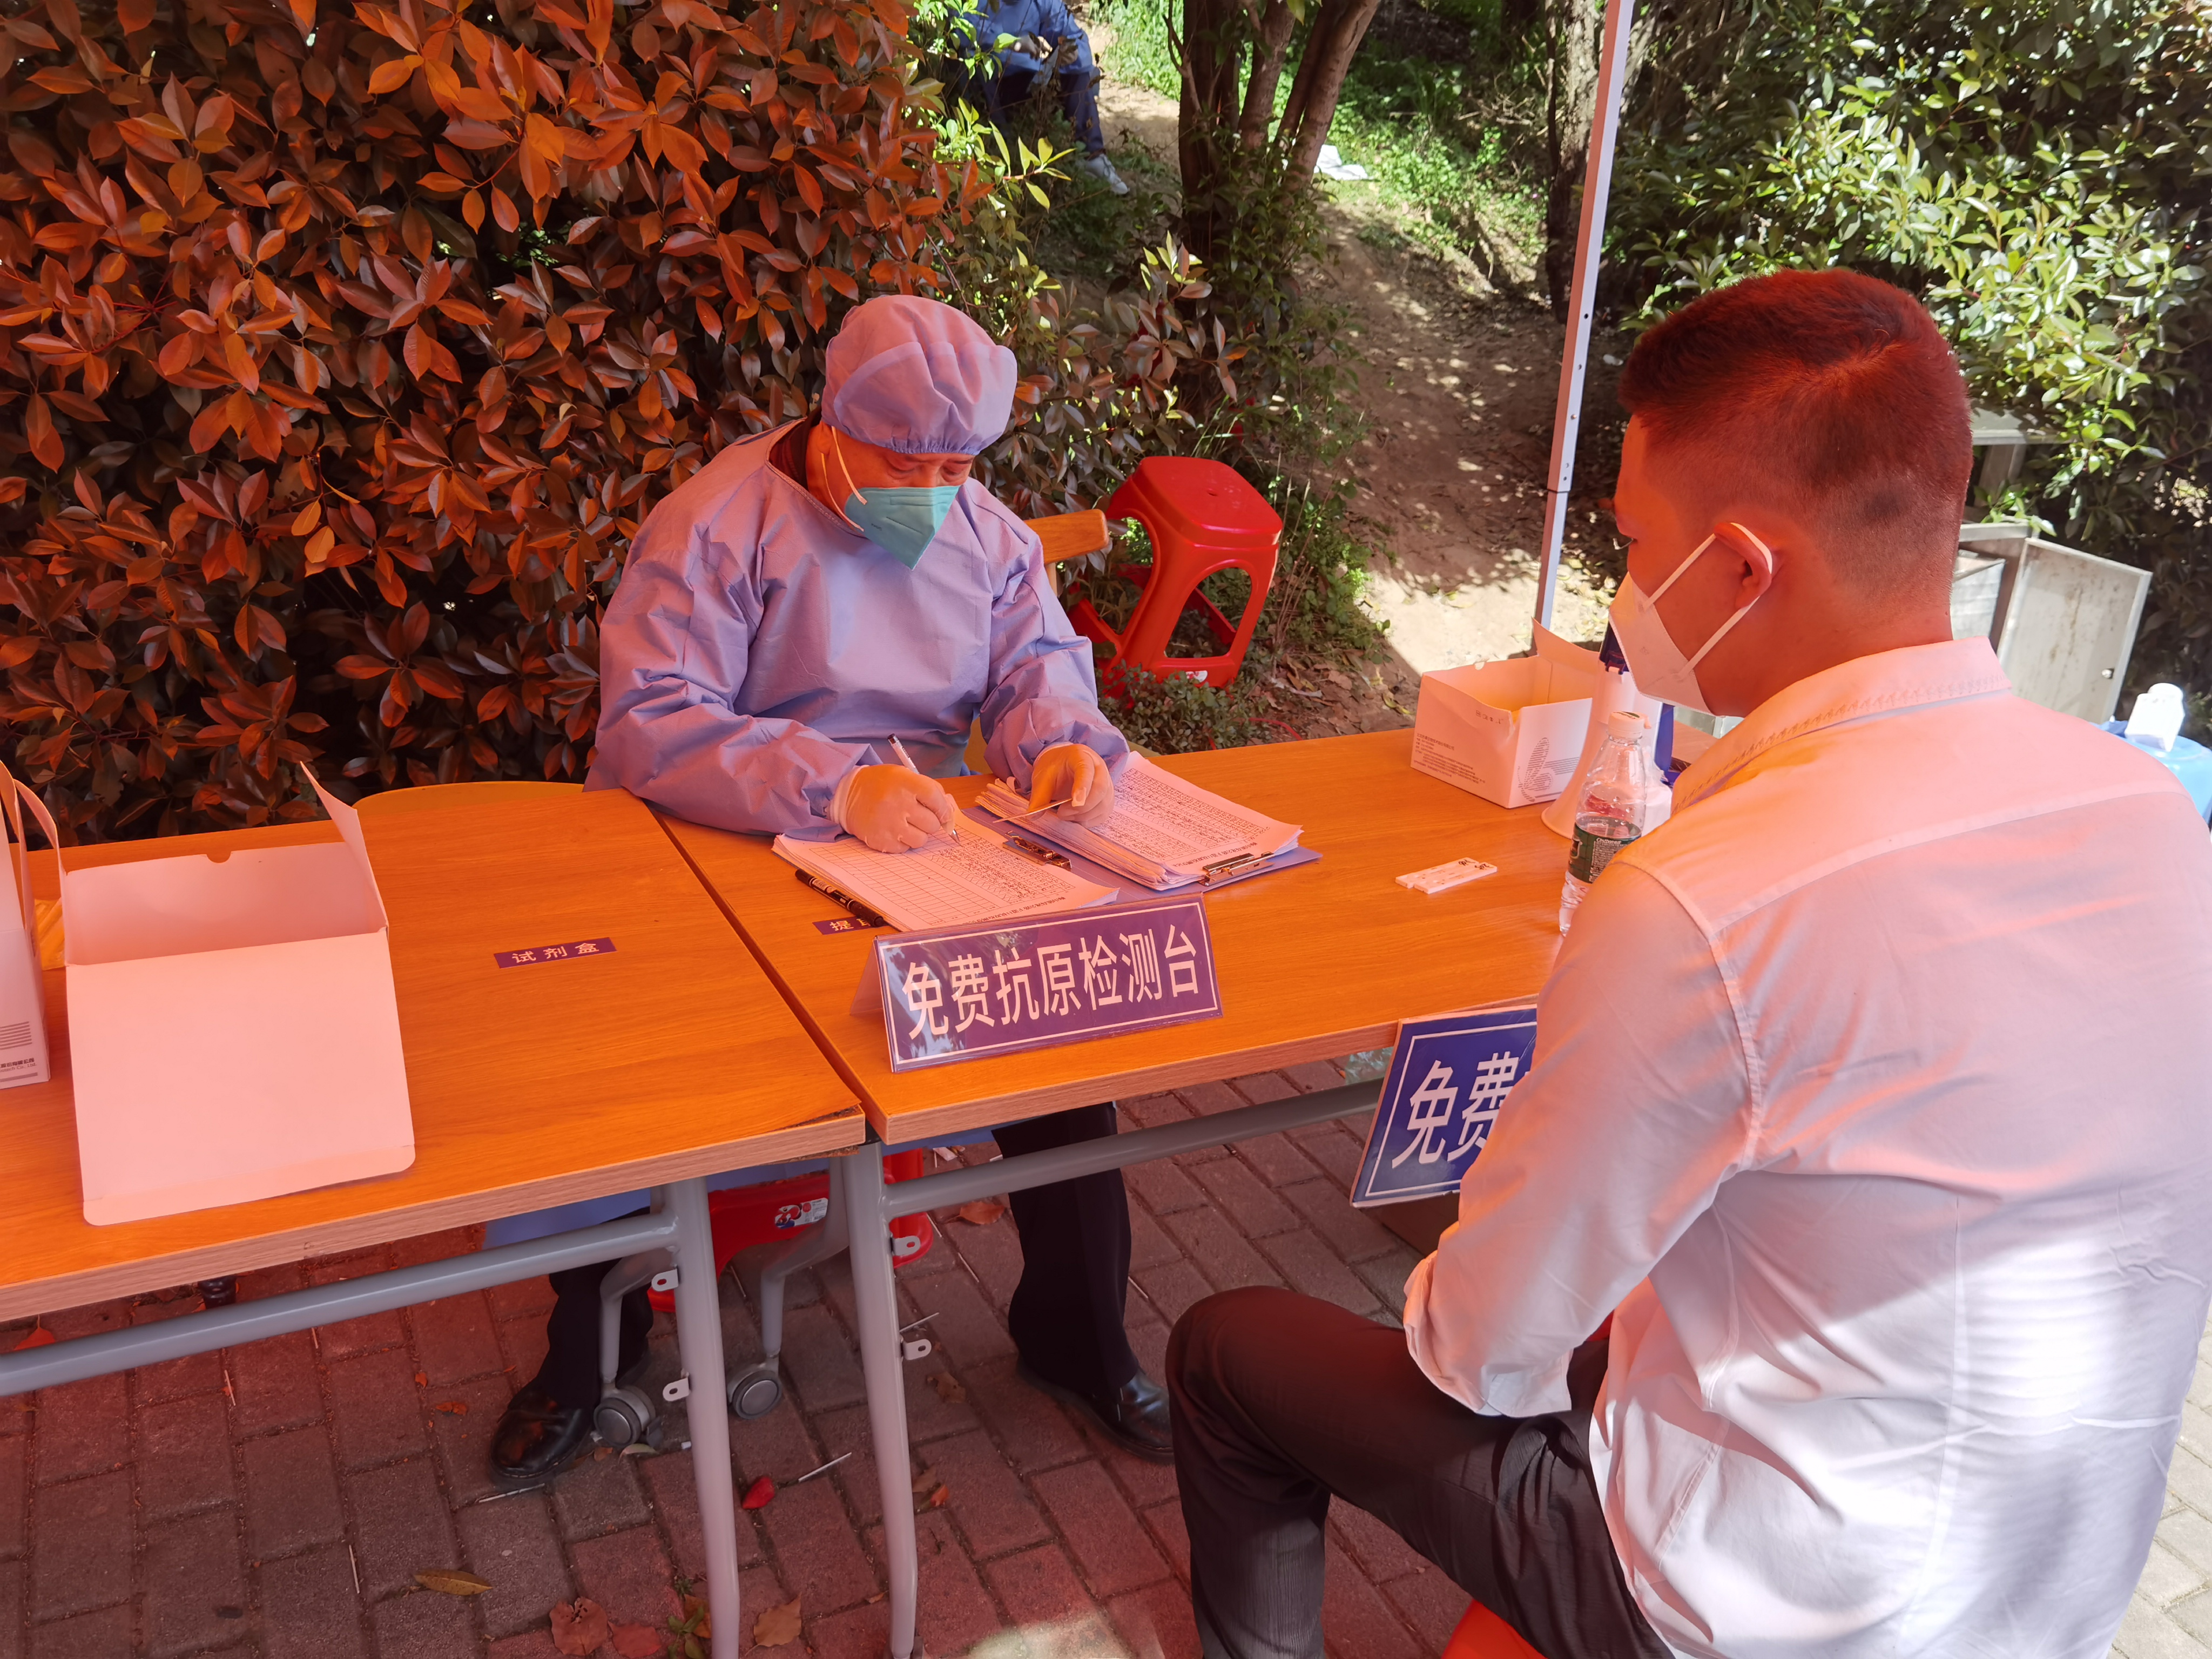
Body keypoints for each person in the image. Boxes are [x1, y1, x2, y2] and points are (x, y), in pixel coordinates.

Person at [1165, 268, 2212, 1659]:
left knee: (1229, 1350)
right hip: (2051, 1587)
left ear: (1739, 566)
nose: (1624, 588)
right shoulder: (2145, 808)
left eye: (1633, 538)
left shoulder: (1704, 898)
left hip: (1760, 1610)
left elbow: (1481, 1349)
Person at [487, 294, 1170, 1483]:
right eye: (907, 462)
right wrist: (832, 784)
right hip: (715, 839)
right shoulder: (717, 525)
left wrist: (1061, 742)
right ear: (835, 424)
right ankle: (587, 1350)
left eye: (957, 466)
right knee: (634, 1075)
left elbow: (1035, 662)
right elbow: (652, 722)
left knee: (1054, 1036)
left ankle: (1077, 1334)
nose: (934, 490)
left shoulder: (983, 531)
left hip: (909, 847)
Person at [959, 0, 1129, 196]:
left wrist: (1072, 52)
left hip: (1029, 82)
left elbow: (1074, 36)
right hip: (985, 84)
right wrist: (1011, 42)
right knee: (970, 66)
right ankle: (998, 154)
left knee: (1080, 73)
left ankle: (1093, 157)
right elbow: (960, 30)